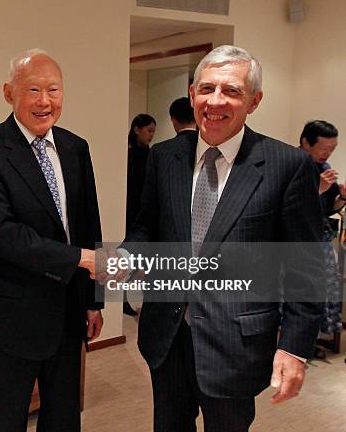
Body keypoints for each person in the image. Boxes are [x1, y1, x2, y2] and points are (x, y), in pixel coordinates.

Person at [121, 45, 324, 432]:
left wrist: (295, 346)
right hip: (167, 334)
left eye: (231, 91)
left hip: (237, 343)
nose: (216, 101)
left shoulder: (286, 165)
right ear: (192, 92)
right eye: (207, 89)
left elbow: (307, 265)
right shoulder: (165, 157)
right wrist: (129, 255)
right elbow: (148, 226)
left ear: (254, 101)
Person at [0, 49, 103, 432]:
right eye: (33, 90)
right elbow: (4, 235)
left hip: (68, 313)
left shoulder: (76, 148)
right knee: (5, 421)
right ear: (9, 93)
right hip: (12, 321)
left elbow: (89, 225)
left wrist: (94, 302)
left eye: (54, 90)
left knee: (63, 419)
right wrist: (79, 259)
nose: (45, 102)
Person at [300, 120, 345, 342]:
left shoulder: (324, 169)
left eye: (332, 149)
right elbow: (286, 206)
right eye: (324, 148)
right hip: (294, 243)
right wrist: (316, 189)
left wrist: (342, 197)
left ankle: (311, 341)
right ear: (306, 142)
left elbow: (329, 208)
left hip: (321, 236)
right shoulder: (290, 164)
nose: (328, 154)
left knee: (324, 291)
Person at [124, 114, 156, 315]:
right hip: (131, 210)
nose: (151, 135)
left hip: (145, 212)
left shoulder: (152, 154)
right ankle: (124, 299)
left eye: (153, 131)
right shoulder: (128, 154)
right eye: (149, 130)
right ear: (137, 129)